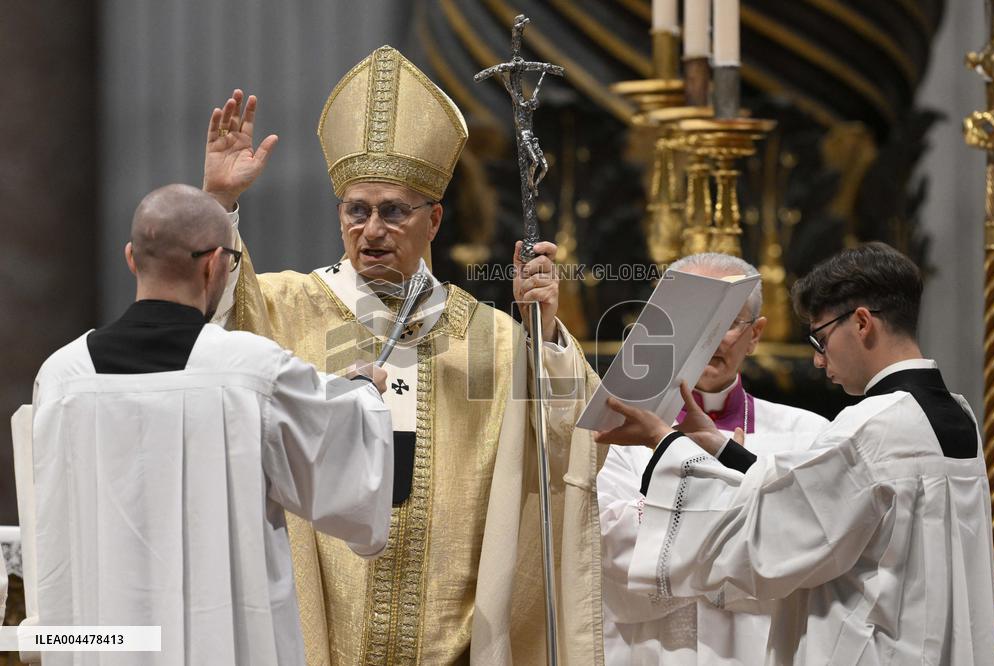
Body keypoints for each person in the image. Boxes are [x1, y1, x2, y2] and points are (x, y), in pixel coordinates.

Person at [201, 46, 604, 664]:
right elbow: (216, 326)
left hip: (456, 637)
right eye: (356, 211)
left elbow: (568, 437)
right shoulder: (289, 307)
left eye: (393, 211)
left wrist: (545, 330)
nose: (372, 230)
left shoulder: (493, 336)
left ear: (435, 218)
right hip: (323, 629)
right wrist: (221, 204)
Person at [29, 184, 394, 665]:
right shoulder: (251, 372)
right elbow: (346, 472)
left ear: (131, 259)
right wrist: (365, 391)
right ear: (216, 265)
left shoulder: (61, 376)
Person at [598, 242, 994, 664]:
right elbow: (807, 499)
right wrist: (720, 449)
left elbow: (766, 540)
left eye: (820, 338)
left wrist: (665, 443)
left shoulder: (872, 427)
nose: (819, 361)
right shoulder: (955, 414)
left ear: (861, 323)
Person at [597, 252, 828, 665]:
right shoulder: (616, 435)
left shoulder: (809, 436)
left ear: (755, 334)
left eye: (727, 322)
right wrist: (738, 513)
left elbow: (804, 556)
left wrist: (680, 516)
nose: (709, 337)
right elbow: (613, 550)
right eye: (693, 321)